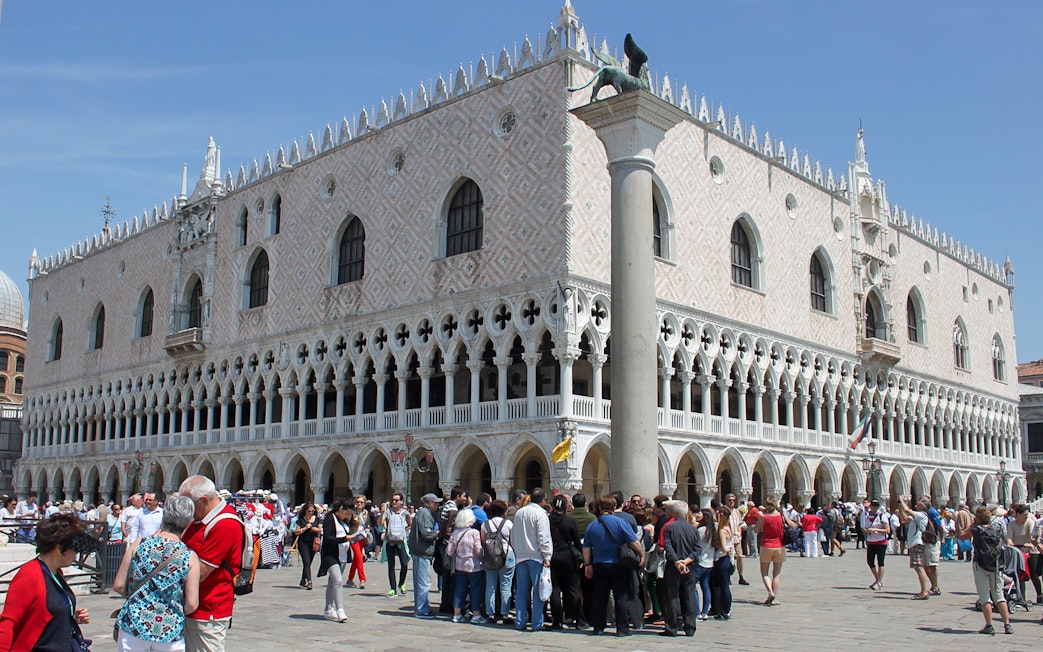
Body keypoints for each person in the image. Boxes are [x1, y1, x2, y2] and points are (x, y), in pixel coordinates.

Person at [113, 495, 201, 650]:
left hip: (134, 625)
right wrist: (171, 611)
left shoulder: (139, 543)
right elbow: (192, 604)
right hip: (170, 632)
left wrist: (140, 602)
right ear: (188, 523)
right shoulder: (189, 556)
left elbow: (119, 585)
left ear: (164, 517)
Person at [0, 512, 97, 650]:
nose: (76, 554)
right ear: (59, 549)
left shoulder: (56, 572)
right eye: (74, 548)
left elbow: (47, 611)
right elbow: (7, 624)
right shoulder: (29, 575)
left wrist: (69, 616)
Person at [179, 475, 243, 652]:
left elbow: (200, 573)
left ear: (204, 500)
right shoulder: (200, 519)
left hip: (207, 610)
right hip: (192, 606)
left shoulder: (225, 525)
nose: (187, 509)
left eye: (189, 504)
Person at [583, 495, 643, 637]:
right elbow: (634, 542)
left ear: (599, 507)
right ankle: (622, 628)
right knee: (621, 596)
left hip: (599, 564)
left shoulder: (592, 525)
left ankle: (598, 627)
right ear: (614, 507)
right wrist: (642, 555)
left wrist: (587, 565)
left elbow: (586, 548)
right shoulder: (621, 522)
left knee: (599, 597)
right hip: (618, 564)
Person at [959, 505, 1012, 635]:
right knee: (999, 595)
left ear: (978, 518)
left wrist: (972, 524)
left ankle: (989, 625)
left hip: (980, 564)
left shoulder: (976, 530)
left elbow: (962, 536)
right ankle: (1007, 625)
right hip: (996, 564)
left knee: (985, 597)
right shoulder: (995, 529)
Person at [511, 488, 553, 632]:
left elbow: (513, 535)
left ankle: (520, 621)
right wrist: (547, 555)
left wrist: (517, 550)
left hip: (521, 556)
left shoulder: (519, 512)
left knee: (521, 590)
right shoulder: (540, 514)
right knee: (538, 590)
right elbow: (543, 537)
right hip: (536, 556)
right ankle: (537, 623)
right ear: (543, 500)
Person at [660, 501, 699, 637]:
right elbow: (697, 549)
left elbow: (668, 547)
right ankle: (690, 627)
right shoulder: (693, 529)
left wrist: (677, 561)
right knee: (689, 596)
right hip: (689, 566)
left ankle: (672, 627)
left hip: (673, 566)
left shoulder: (669, 528)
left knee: (672, 596)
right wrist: (687, 561)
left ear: (674, 512)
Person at [547, 493, 583, 630]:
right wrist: (580, 556)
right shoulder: (570, 521)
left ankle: (557, 621)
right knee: (572, 589)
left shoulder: (547, 520)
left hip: (552, 557)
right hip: (568, 557)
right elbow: (577, 541)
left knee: (555, 589)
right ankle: (578, 618)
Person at [446, 508, 485, 623]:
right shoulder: (474, 533)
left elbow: (449, 551)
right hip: (474, 566)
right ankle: (476, 615)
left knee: (459, 590)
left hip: (459, 566)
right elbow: (478, 550)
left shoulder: (455, 533)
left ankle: (457, 614)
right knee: (475, 590)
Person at [317, 500, 353, 622]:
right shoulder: (329, 519)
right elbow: (328, 537)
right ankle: (340, 610)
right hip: (330, 554)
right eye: (346, 513)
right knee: (338, 581)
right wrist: (344, 539)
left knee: (332, 582)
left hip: (342, 555)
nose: (347, 516)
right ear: (341, 508)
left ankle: (328, 609)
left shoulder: (344, 521)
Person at [754, 498, 795, 606]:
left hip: (766, 546)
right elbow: (793, 526)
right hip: (780, 547)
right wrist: (783, 516)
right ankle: (774, 597)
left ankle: (770, 592)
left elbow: (756, 530)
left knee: (764, 572)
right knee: (776, 573)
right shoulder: (781, 516)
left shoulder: (763, 517)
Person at [480, 499, 515, 625]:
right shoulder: (508, 524)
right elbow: (513, 540)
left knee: (491, 585)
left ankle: (490, 613)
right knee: (506, 585)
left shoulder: (485, 524)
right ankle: (505, 614)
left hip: (490, 556)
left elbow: (483, 541)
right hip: (506, 555)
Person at [408, 493, 440, 619]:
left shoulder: (423, 513)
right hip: (422, 551)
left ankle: (420, 607)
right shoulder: (425, 514)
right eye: (436, 503)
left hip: (419, 551)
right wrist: (437, 533)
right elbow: (426, 534)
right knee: (423, 582)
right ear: (430, 504)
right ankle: (422, 609)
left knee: (420, 581)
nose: (438, 505)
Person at [896, 495, 930, 599]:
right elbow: (904, 519)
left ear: (923, 505)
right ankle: (924, 590)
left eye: (919, 501)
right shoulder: (917, 516)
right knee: (918, 567)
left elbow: (907, 510)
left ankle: (924, 591)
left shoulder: (921, 515)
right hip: (914, 543)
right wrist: (900, 506)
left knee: (919, 568)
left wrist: (902, 500)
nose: (917, 502)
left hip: (917, 543)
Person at [1005, 504, 1039, 605]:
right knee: (1020, 574)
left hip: (1031, 551)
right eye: (1024, 514)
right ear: (1018, 514)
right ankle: (1021, 597)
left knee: (1033, 574)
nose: (1026, 516)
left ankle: (1039, 595)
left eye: (1027, 514)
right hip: (1018, 551)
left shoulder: (1029, 522)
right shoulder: (1012, 524)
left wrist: (1029, 543)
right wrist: (1009, 542)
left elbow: (1032, 535)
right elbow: (1009, 536)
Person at [382, 492, 412, 598]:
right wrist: (386, 528)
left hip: (400, 541)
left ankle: (401, 583)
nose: (394, 502)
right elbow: (381, 522)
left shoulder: (405, 513)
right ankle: (393, 588)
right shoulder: (388, 512)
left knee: (404, 564)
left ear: (401, 501)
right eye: (393, 500)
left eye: (396, 500)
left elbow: (410, 524)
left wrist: (403, 531)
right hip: (390, 541)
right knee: (391, 566)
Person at [861, 499, 891, 590]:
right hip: (871, 541)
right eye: (873, 506)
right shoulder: (866, 515)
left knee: (880, 562)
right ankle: (878, 580)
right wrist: (866, 530)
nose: (874, 508)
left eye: (876, 506)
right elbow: (864, 527)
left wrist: (875, 530)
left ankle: (878, 582)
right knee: (870, 561)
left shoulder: (882, 516)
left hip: (881, 541)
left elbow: (887, 530)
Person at [292, 502, 322, 589]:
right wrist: (305, 528)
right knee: (306, 561)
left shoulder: (316, 519)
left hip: (313, 542)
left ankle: (302, 579)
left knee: (309, 563)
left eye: (313, 511)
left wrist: (312, 528)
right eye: (309, 511)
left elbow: (320, 529)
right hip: (303, 542)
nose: (311, 512)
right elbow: (297, 532)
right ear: (305, 511)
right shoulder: (301, 519)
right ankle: (309, 581)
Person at [692, 508, 714, 619]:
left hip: (700, 561)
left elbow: (695, 543)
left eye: (699, 513)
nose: (697, 515)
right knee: (705, 586)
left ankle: (697, 612)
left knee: (692, 586)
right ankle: (705, 612)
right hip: (709, 562)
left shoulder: (701, 530)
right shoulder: (712, 530)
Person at [345, 495, 370, 589]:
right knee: (359, 557)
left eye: (361, 502)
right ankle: (362, 579)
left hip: (362, 536)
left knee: (356, 558)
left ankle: (350, 579)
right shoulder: (352, 513)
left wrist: (367, 530)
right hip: (353, 536)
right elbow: (347, 523)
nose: (359, 504)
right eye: (358, 502)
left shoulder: (366, 513)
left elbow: (368, 524)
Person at [724, 494, 747, 584]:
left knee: (740, 556)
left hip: (736, 538)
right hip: (727, 538)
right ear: (726, 501)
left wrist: (742, 527)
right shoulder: (723, 511)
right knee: (729, 558)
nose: (732, 502)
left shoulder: (736, 512)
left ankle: (741, 576)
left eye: (733, 500)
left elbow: (739, 523)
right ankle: (728, 575)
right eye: (730, 500)